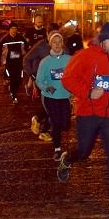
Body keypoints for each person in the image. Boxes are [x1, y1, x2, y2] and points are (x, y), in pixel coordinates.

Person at [57, 22, 109, 213]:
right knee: (84, 152)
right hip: (88, 113)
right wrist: (88, 92)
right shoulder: (85, 55)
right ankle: (68, 159)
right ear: (103, 39)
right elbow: (67, 79)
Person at [36, 32, 72, 161]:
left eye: (59, 42)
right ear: (50, 44)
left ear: (62, 44)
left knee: (66, 124)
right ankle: (57, 149)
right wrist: (47, 87)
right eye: (54, 42)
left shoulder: (69, 59)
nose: (57, 45)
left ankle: (50, 122)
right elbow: (39, 80)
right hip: (50, 97)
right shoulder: (45, 62)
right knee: (57, 123)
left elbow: (76, 75)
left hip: (64, 97)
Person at [0, 22, 26, 104]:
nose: (14, 30)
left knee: (20, 79)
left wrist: (24, 52)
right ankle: (14, 95)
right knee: (13, 78)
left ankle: (14, 90)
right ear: (9, 30)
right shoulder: (5, 39)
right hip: (9, 63)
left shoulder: (20, 37)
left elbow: (26, 45)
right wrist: (2, 57)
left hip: (19, 62)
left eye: (15, 29)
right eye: (12, 28)